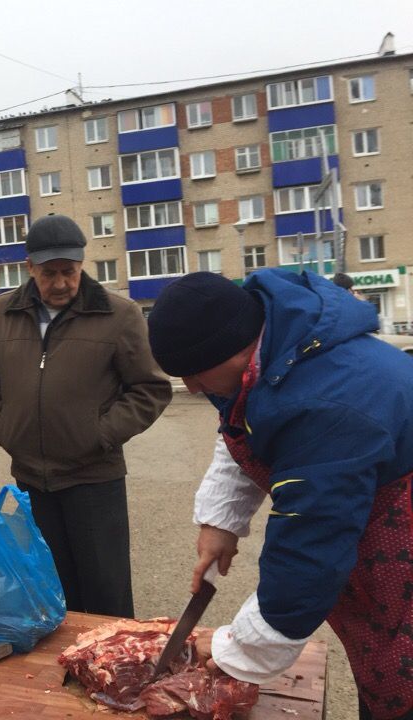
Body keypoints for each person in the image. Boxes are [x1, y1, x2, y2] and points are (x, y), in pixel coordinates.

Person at [146, 269, 413, 720]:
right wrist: (220, 522)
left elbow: (310, 549)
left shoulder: (326, 400)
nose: (190, 388)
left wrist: (239, 649)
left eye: (194, 373)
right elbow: (248, 424)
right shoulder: (276, 356)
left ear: (234, 345)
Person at [0, 214, 171, 617]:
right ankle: (58, 675)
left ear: (82, 265)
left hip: (94, 479)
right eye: (50, 273)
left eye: (70, 271)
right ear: (29, 268)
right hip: (32, 479)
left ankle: (111, 675)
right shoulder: (0, 314)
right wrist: (8, 430)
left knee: (105, 594)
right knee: (50, 591)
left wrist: (99, 433)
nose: (61, 283)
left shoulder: (119, 314)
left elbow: (151, 388)